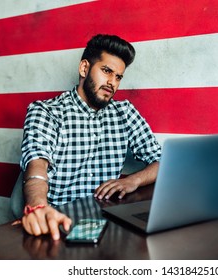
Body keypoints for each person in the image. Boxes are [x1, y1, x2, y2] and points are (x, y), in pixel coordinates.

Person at [19, 34, 161, 240]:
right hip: (62, 220)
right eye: (106, 71)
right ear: (84, 68)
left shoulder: (125, 112)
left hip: (108, 218)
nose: (112, 82)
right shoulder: (46, 111)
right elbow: (36, 167)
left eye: (118, 77)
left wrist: (134, 180)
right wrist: (38, 207)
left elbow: (162, 161)